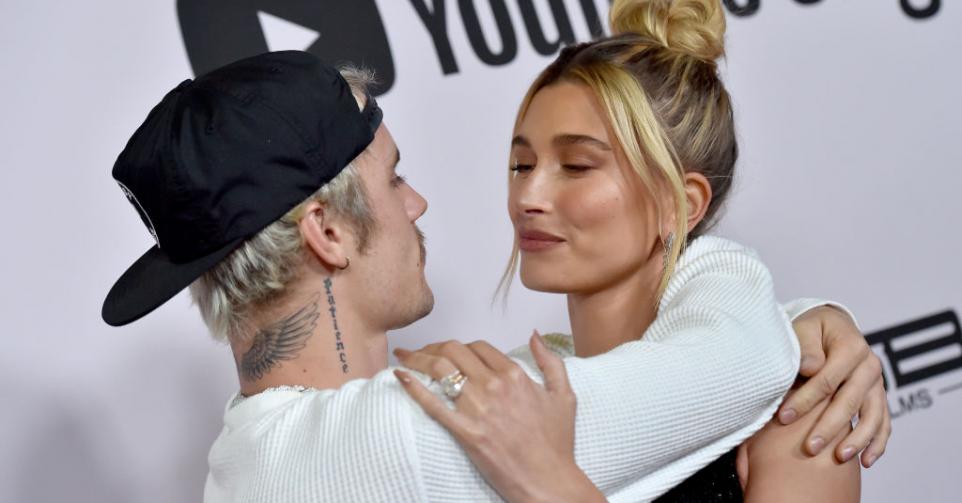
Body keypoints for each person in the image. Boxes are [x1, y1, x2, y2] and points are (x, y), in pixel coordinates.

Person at [101, 50, 885, 503]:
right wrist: (798, 314)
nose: (419, 202)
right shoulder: (378, 447)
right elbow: (729, 364)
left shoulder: (275, 451)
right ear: (329, 231)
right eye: (394, 179)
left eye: (575, 164)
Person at [393, 0, 884, 501]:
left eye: (577, 165)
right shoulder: (506, 395)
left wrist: (541, 477)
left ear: (679, 203)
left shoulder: (796, 410)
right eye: (522, 165)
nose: (529, 198)